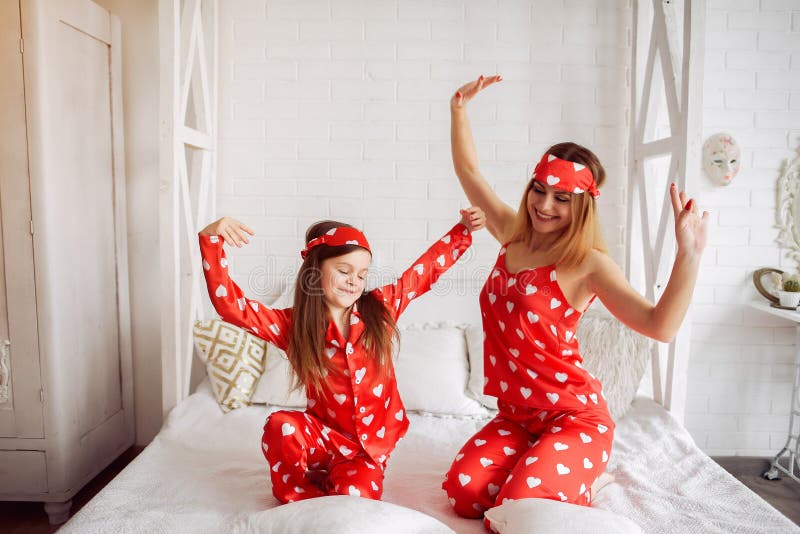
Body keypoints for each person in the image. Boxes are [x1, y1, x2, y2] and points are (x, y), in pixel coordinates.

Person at [441, 75, 709, 523]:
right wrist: (458, 111)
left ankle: (586, 475)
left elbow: (661, 326)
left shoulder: (589, 264)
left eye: (561, 198)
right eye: (539, 191)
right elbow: (469, 174)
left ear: (583, 204)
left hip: (573, 417)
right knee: (465, 496)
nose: (544, 206)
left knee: (517, 510)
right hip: (516, 418)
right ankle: (544, 464)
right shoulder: (512, 233)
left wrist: (690, 255)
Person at [199, 207, 485, 503]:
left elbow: (423, 273)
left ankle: (336, 484)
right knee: (280, 425)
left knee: (353, 499)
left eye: (362, 275)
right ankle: (300, 495)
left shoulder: (381, 308)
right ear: (315, 272)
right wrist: (211, 239)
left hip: (365, 452)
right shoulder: (294, 326)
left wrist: (462, 231)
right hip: (322, 439)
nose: (354, 282)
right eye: (344, 271)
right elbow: (232, 307)